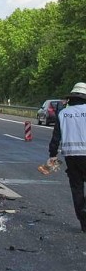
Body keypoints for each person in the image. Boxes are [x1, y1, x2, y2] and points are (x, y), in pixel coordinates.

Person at [47, 82, 86, 232]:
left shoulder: (63, 114)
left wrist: (52, 155)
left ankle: (83, 220)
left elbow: (56, 138)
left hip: (72, 156)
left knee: (76, 188)